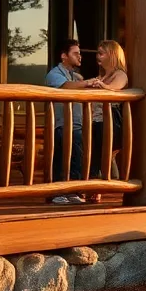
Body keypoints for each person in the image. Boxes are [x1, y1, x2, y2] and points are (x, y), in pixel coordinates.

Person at [45, 39, 92, 205]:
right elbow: (65, 87)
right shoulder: (54, 74)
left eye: (80, 53)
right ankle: (56, 193)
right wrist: (86, 83)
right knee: (61, 158)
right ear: (64, 56)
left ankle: (73, 191)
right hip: (62, 124)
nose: (80, 56)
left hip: (77, 123)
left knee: (76, 158)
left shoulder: (76, 76)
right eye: (75, 53)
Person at [82, 40, 129, 204]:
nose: (98, 56)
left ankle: (97, 189)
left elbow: (116, 88)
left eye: (101, 53)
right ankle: (100, 188)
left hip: (109, 122)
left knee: (102, 156)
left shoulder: (120, 74)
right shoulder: (102, 76)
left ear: (112, 55)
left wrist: (100, 85)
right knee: (98, 156)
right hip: (96, 121)